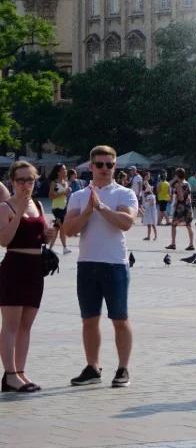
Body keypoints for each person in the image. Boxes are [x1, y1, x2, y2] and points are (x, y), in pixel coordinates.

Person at [62, 145, 138, 388]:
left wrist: (103, 208)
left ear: (115, 167)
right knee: (89, 319)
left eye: (110, 164)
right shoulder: (78, 196)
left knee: (120, 318)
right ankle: (92, 367)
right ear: (91, 166)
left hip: (115, 264)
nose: (105, 169)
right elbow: (69, 230)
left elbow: (126, 223)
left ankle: (123, 368)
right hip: (87, 264)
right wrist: (87, 211)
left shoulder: (125, 194)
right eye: (100, 164)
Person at [0, 161, 56, 393]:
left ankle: (21, 372)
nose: (25, 185)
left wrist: (48, 234)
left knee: (26, 325)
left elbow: (39, 238)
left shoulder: (39, 206)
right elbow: (4, 240)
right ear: (12, 181)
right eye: (21, 180)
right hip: (14, 266)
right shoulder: (6, 207)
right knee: (11, 325)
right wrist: (20, 211)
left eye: (30, 180)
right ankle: (9, 374)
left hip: (35, 268)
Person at [166, 168, 195, 252]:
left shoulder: (178, 185)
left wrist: (175, 180)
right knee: (189, 226)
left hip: (180, 207)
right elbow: (189, 197)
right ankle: (191, 244)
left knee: (174, 225)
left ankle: (173, 243)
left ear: (177, 175)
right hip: (188, 207)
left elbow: (181, 197)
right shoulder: (187, 183)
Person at [48, 163, 71, 255]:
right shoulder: (55, 183)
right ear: (58, 172)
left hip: (64, 207)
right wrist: (64, 192)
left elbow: (65, 195)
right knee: (63, 227)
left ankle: (50, 248)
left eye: (65, 169)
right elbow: (50, 196)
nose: (65, 171)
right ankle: (65, 247)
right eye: (63, 169)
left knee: (57, 228)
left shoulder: (66, 182)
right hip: (57, 208)